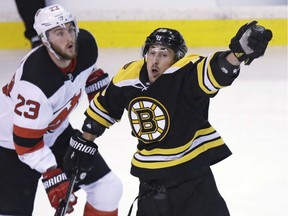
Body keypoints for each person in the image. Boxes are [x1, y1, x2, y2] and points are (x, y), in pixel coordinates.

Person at [62, 21, 272, 216]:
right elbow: (105, 107)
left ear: (176, 59)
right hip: (152, 184)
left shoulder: (186, 73)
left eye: (164, 54)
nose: (155, 59)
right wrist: (85, 140)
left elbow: (215, 71)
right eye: (151, 52)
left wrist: (236, 55)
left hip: (193, 180)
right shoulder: (129, 76)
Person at [0, 4, 122, 216]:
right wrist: (52, 175)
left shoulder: (85, 45)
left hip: (56, 133)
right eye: (59, 33)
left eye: (70, 28)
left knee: (108, 189)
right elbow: (26, 145)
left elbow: (87, 74)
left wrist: (100, 93)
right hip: (12, 146)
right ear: (45, 40)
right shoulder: (35, 83)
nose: (69, 38)